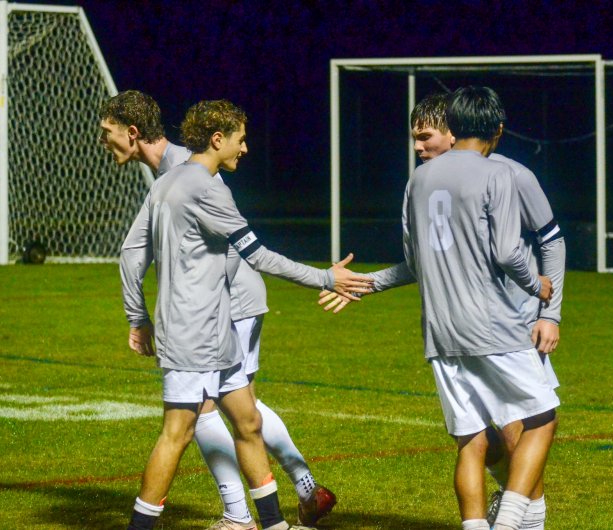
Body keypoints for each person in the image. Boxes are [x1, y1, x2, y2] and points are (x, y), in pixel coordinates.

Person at [119, 99, 372, 530]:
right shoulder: (207, 188)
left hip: (219, 329)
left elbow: (130, 253)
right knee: (176, 433)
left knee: (247, 420)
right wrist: (325, 278)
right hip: (192, 332)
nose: (246, 148)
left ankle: (270, 524)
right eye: (241, 138)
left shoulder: (166, 182)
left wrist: (138, 316)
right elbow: (260, 257)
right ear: (218, 139)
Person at [321, 91, 565, 528]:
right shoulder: (489, 176)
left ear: (452, 130)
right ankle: (514, 523)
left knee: (477, 441)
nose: (418, 147)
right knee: (536, 421)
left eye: (425, 136)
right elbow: (509, 252)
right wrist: (538, 286)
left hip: (444, 331)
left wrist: (550, 314)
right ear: (495, 128)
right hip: (496, 326)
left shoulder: (428, 181)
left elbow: (550, 240)